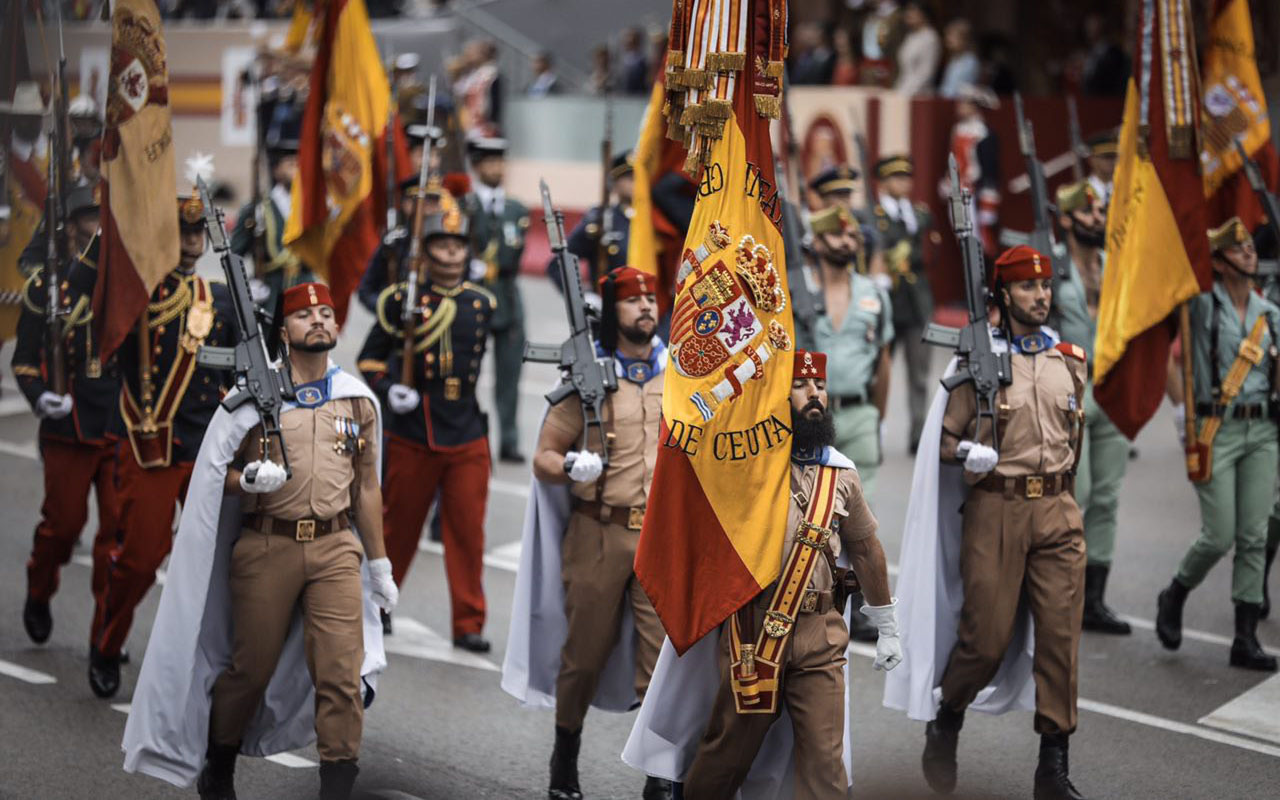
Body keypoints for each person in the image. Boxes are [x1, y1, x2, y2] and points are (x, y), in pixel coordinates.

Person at [120, 283, 391, 800]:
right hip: (268, 546)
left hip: (336, 549)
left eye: (326, 313)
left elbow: (367, 485)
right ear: (283, 332)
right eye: (303, 314)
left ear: (337, 328)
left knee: (340, 673)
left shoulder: (356, 401)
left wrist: (379, 567)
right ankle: (219, 761)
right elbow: (212, 472)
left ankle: (337, 782)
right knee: (251, 669)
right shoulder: (251, 400)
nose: (317, 321)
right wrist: (245, 480)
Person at [629, 349, 901, 800]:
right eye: (800, 386)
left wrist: (886, 622)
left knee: (825, 768)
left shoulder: (842, 474)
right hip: (753, 635)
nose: (814, 395)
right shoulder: (744, 466)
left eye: (819, 387)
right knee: (726, 756)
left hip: (821, 635)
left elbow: (867, 548)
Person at [888, 244, 1090, 800]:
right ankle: (948, 715)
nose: (1041, 296)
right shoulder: (977, 364)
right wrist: (967, 456)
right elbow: (944, 442)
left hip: (1056, 511)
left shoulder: (1069, 359)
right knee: (987, 637)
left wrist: (1069, 507)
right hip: (997, 508)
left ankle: (1053, 765)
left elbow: (1077, 440)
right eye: (1028, 287)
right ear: (1003, 294)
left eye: (1045, 286)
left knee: (1058, 638)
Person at [503, 266, 670, 800]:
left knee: (664, 661)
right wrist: (570, 464)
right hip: (599, 533)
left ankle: (662, 773)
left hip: (660, 539)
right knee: (584, 655)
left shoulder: (682, 375)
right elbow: (543, 457)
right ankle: (565, 752)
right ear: (611, 312)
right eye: (632, 301)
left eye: (650, 299)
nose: (645, 307)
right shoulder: (588, 379)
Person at [88, 182, 236, 699]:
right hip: (150, 442)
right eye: (182, 231)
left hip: (205, 448)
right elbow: (96, 305)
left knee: (221, 564)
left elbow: (244, 365)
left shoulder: (218, 297)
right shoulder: (137, 292)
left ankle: (209, 668)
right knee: (140, 560)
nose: (192, 241)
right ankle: (106, 643)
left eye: (198, 230)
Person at [357, 208, 495, 653]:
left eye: (458, 245)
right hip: (415, 430)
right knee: (398, 526)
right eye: (442, 244)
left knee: (468, 532)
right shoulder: (402, 300)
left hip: (467, 430)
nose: (452, 253)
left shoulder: (482, 301)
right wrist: (389, 387)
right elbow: (370, 358)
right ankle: (380, 602)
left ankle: (468, 621)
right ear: (427, 250)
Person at [1158, 217, 1278, 672]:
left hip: (1263, 431)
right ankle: (1175, 593)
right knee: (1219, 534)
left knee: (1253, 535)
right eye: (1239, 248)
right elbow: (1173, 290)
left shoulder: (1271, 316)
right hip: (1216, 430)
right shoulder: (1201, 308)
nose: (1250, 252)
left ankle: (1243, 638)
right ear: (1220, 262)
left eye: (1251, 246)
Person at [13, 183, 120, 648]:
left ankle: (107, 638)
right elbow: (24, 357)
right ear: (73, 224)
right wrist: (39, 396)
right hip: (69, 424)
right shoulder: (47, 287)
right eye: (89, 217)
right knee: (63, 528)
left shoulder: (123, 285)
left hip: (119, 424)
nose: (97, 225)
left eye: (102, 217)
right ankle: (39, 592)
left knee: (118, 541)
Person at [1053, 181, 1130, 634]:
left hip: (1112, 391)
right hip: (1070, 391)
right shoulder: (1057, 272)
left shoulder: (1114, 269)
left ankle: (1096, 597)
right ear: (1067, 220)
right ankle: (1066, 590)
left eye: (1100, 211)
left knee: (1107, 496)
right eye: (1087, 212)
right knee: (1072, 498)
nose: (1097, 218)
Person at [464, 136, 530, 463]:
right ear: (476, 167)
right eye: (489, 162)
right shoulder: (463, 207)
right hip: (472, 296)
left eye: (500, 161)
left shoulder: (517, 210)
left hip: (507, 296)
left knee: (510, 374)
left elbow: (513, 256)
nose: (496, 168)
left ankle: (509, 440)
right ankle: (468, 434)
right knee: (465, 371)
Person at [873, 154, 934, 453]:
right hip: (887, 303)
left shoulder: (919, 214)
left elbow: (927, 255)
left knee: (920, 373)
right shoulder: (875, 215)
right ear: (883, 182)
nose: (903, 183)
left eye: (907, 178)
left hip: (916, 302)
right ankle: (874, 430)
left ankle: (918, 433)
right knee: (878, 371)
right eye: (897, 178)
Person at [229, 137, 313, 308]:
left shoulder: (309, 208)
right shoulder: (257, 208)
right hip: (271, 293)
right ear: (276, 170)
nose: (296, 170)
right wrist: (246, 288)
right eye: (290, 164)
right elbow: (234, 256)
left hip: (305, 289)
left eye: (299, 164)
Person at [561, 150, 634, 290]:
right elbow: (562, 262)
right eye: (629, 178)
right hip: (611, 307)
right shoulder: (600, 220)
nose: (636, 183)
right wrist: (583, 297)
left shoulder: (655, 221)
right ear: (615, 184)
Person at [947, 84, 1001, 255]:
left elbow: (990, 170)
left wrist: (988, 204)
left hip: (975, 192)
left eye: (964, 103)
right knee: (962, 237)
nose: (959, 106)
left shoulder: (984, 134)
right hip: (958, 189)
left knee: (979, 242)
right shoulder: (958, 130)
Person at [894, 2, 941, 95]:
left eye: (913, 10)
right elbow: (904, 71)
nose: (908, 13)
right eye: (908, 10)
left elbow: (925, 74)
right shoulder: (910, 36)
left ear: (924, 14)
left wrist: (906, 93)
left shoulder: (930, 38)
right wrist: (898, 91)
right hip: (903, 90)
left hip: (920, 95)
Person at [938, 18, 980, 98]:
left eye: (953, 36)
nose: (948, 39)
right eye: (948, 35)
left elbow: (965, 88)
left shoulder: (970, 61)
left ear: (965, 39)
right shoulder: (953, 60)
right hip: (947, 101)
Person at [1084, 129, 1119, 209]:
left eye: (1113, 156)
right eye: (1105, 157)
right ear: (1091, 159)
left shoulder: (1126, 187)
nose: (1110, 161)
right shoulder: (1079, 193)